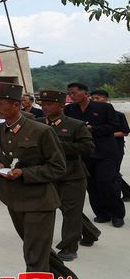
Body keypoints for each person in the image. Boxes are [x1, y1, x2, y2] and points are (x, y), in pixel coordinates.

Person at [0, 82, 72, 276]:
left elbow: (58, 167)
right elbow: (0, 156)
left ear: (16, 105)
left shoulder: (41, 131)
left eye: (0, 104)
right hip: (13, 200)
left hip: (38, 202)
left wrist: (25, 173)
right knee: (39, 251)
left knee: (33, 256)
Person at [36, 90, 94, 262]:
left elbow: (88, 147)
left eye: (49, 104)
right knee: (63, 209)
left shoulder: (76, 125)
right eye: (43, 104)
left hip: (72, 176)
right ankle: (90, 232)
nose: (45, 107)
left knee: (70, 212)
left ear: (61, 106)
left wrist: (57, 145)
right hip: (47, 175)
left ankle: (69, 247)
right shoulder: (37, 124)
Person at [65, 82, 124, 227]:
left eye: (74, 93)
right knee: (91, 185)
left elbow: (114, 126)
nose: (71, 96)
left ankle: (117, 214)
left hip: (105, 152)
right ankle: (101, 213)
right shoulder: (70, 109)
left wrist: (93, 129)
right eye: (70, 94)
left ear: (85, 93)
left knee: (107, 182)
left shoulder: (104, 107)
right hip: (84, 152)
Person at [90, 89, 130, 202]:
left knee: (112, 173)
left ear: (106, 99)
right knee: (106, 174)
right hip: (97, 147)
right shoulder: (93, 115)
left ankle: (118, 195)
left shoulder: (118, 115)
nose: (95, 101)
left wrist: (105, 133)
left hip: (115, 147)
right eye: (93, 99)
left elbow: (125, 132)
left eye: (97, 98)